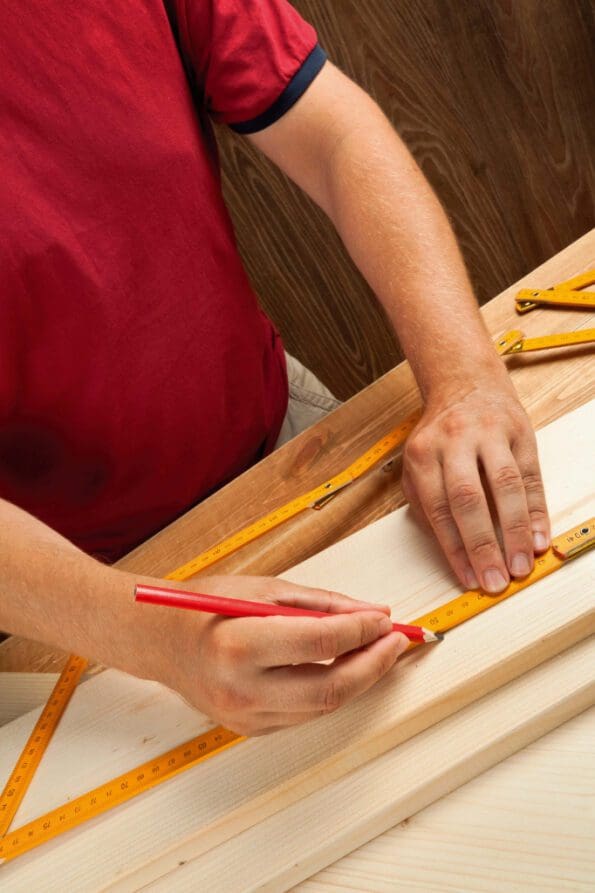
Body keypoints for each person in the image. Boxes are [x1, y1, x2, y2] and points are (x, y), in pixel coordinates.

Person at [0, 1, 550, 736]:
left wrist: (464, 377)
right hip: (58, 603)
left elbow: (333, 136)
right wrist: (152, 637)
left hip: (280, 437)